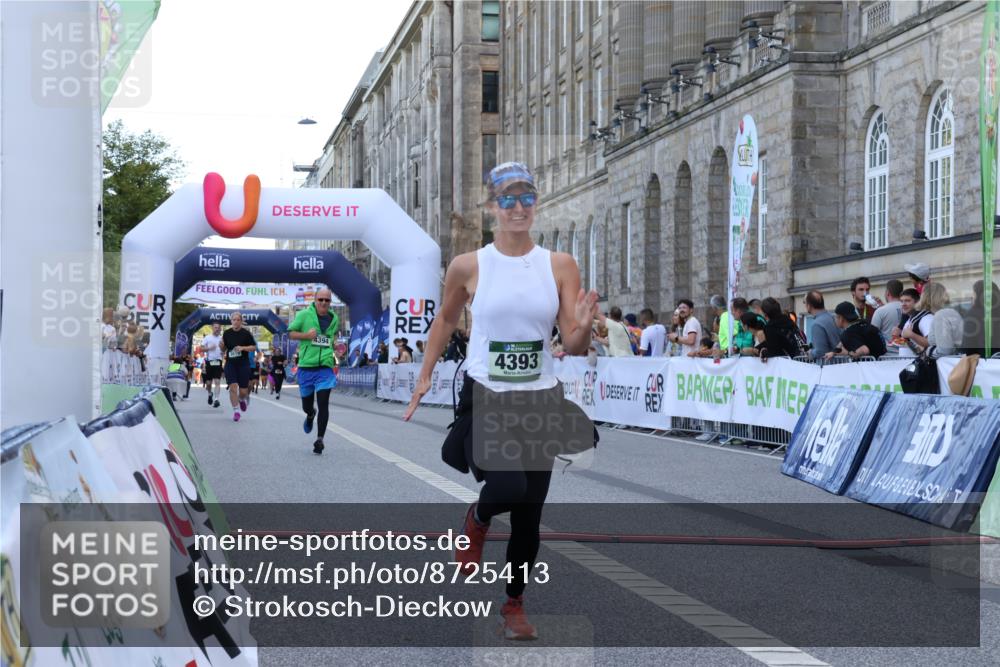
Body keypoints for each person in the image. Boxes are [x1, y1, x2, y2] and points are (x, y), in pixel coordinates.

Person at [403, 161, 598, 641]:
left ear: (536, 204)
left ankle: (514, 603)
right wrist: (425, 374)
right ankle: (479, 516)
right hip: (488, 393)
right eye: (507, 199)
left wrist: (585, 325)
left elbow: (571, 344)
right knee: (507, 488)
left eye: (526, 197)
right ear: (491, 207)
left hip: (540, 400)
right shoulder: (469, 265)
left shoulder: (560, 265)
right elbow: (446, 322)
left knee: (530, 513)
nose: (517, 207)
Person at [288, 288, 340, 454]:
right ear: (315, 300)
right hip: (306, 367)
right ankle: (310, 414)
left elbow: (330, 338)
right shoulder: (304, 315)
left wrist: (335, 349)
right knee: (307, 406)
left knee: (324, 402)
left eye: (327, 300)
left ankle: (320, 439)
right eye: (321, 300)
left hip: (325, 367)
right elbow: (290, 334)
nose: (324, 303)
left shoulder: (334, 318)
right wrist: (306, 336)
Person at [221, 312, 256, 422]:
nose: (235, 322)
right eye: (233, 320)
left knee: (243, 392)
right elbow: (224, 349)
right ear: (231, 321)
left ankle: (241, 400)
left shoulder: (246, 333)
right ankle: (236, 411)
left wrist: (243, 348)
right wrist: (221, 346)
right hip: (230, 363)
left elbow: (253, 347)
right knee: (233, 387)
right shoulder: (226, 333)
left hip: (243, 364)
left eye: (237, 320)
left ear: (241, 321)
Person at [919, 282, 963, 356]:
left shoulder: (941, 315)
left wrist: (928, 351)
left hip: (953, 364)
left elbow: (945, 351)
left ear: (926, 297)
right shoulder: (949, 312)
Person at [961, 280, 1000, 357]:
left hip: (984, 364)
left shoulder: (972, 314)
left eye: (974, 293)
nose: (972, 297)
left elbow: (968, 347)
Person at [892, 287, 932, 357]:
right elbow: (913, 346)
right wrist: (898, 339)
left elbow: (930, 342)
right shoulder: (909, 319)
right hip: (910, 364)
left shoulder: (925, 318)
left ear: (917, 302)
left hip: (922, 365)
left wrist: (912, 335)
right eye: (901, 301)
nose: (903, 304)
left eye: (907, 301)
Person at [804, 290, 840, 360]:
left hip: (828, 367)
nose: (805, 305)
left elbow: (820, 352)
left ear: (809, 306)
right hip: (842, 365)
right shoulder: (833, 318)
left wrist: (810, 353)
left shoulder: (817, 324)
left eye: (804, 303)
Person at [870, 279, 904, 347]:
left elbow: (872, 335)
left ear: (888, 293)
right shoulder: (909, 308)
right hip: (908, 354)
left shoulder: (880, 311)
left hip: (888, 355)